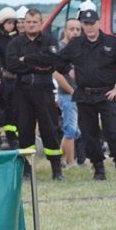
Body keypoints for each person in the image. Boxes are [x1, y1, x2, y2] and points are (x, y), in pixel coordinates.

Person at [56, 9, 116, 182]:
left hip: (107, 95)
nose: (89, 27)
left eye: (92, 23)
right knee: (90, 136)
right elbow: (58, 60)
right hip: (85, 95)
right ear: (82, 25)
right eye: (85, 24)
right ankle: (98, 170)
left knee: (114, 133)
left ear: (98, 23)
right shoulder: (76, 44)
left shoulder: (111, 43)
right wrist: (69, 70)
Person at [5, 8, 65, 181]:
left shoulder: (49, 40)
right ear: (24, 23)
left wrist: (27, 60)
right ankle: (27, 171)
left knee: (50, 130)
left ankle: (56, 169)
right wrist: (38, 62)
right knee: (24, 131)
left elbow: (52, 62)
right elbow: (12, 65)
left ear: (41, 23)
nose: (31, 25)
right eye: (28, 22)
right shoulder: (15, 43)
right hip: (22, 92)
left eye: (35, 22)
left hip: (44, 90)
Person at [53, 18, 82, 168]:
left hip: (77, 94)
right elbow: (56, 75)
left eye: (78, 29)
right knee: (70, 129)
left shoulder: (78, 49)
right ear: (65, 30)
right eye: (72, 29)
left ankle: (62, 159)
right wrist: (72, 91)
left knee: (75, 130)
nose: (75, 32)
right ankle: (71, 162)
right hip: (67, 94)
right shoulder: (61, 49)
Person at [0, 7, 20, 149]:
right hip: (1, 81)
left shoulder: (15, 39)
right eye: (9, 23)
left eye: (13, 23)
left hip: (14, 82)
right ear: (1, 23)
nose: (12, 26)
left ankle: (13, 140)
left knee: (13, 113)